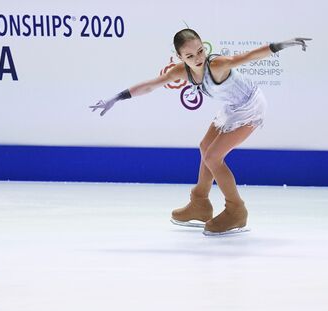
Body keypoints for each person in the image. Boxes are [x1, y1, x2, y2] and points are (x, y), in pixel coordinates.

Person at [90, 29, 311, 235]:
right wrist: (117, 98)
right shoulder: (181, 72)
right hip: (232, 107)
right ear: (179, 57)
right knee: (205, 147)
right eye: (189, 56)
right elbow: (151, 85)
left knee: (214, 157)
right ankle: (200, 203)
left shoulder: (216, 65)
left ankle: (236, 211)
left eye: (200, 51)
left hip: (250, 106)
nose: (197, 58)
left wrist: (281, 45)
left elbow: (248, 56)